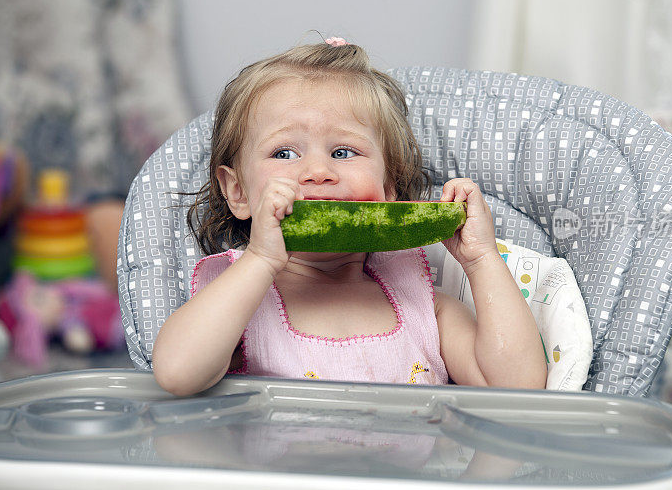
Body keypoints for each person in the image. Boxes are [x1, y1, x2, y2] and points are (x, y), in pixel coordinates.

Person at [152, 37, 547, 396]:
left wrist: (481, 260)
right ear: (239, 193)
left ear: (388, 191)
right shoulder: (236, 300)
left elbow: (517, 387)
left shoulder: (422, 303)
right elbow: (177, 374)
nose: (318, 171)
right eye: (284, 153)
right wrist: (261, 259)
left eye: (343, 152)